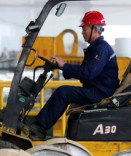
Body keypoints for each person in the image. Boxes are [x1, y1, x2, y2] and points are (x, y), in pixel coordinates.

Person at [29, 10, 119, 140]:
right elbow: (84, 71)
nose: (82, 32)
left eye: (85, 29)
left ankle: (38, 128)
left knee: (63, 92)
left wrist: (65, 66)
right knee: (64, 91)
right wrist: (63, 67)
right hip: (98, 89)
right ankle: (39, 126)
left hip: (100, 92)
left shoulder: (101, 49)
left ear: (95, 29)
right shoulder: (95, 48)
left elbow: (88, 73)